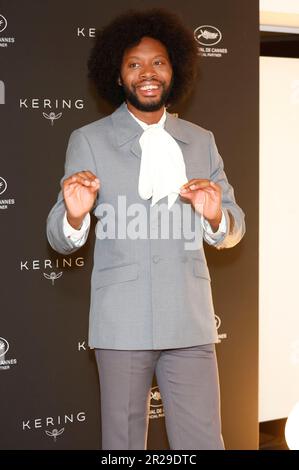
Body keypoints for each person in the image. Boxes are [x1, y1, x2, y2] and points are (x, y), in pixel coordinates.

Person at [47, 8, 245, 450]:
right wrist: (75, 215)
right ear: (117, 76)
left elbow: (234, 228)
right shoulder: (89, 140)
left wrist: (216, 215)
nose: (147, 73)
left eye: (158, 62)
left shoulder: (202, 140)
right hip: (122, 323)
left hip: (189, 320)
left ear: (175, 69)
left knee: (204, 443)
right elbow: (58, 236)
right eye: (134, 64)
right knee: (122, 445)